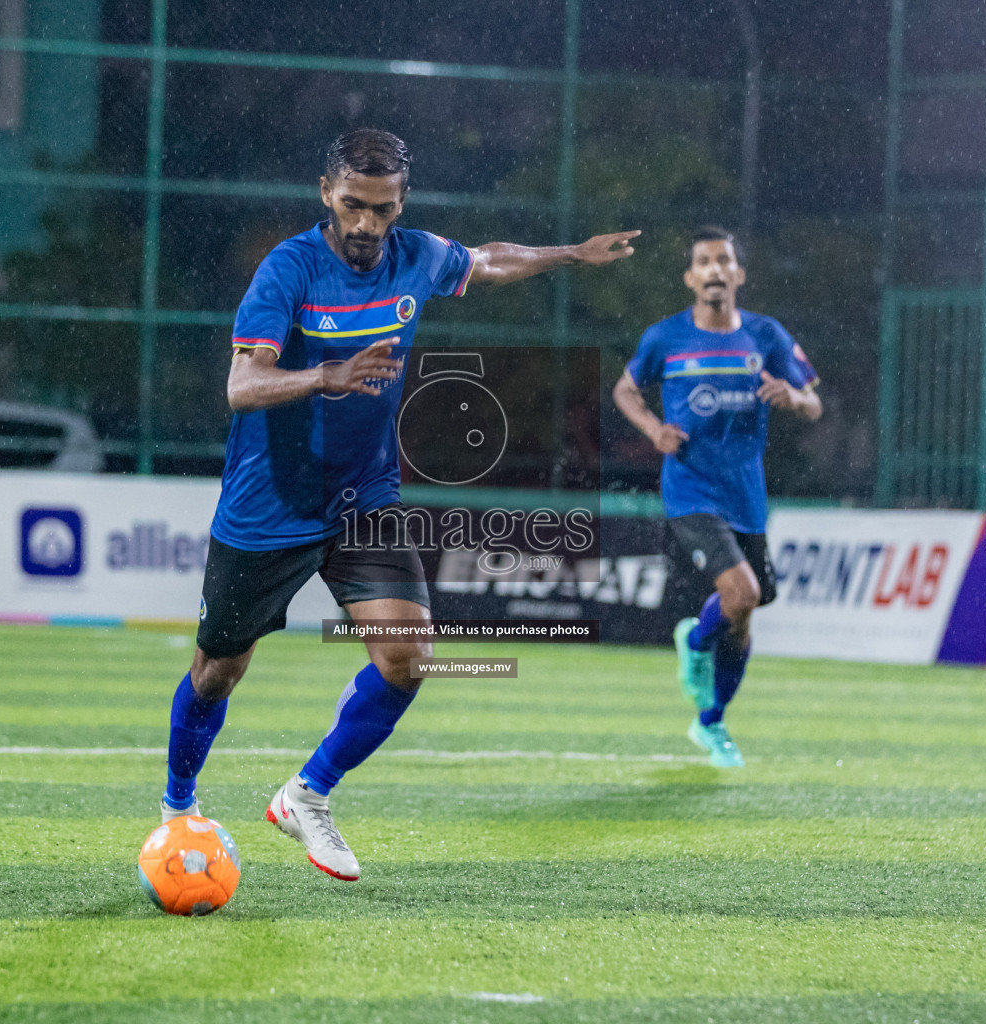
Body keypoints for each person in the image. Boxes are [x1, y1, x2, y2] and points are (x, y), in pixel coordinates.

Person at [162, 128, 639, 881]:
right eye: (352, 205)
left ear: (400, 204)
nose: (365, 225)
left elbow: (484, 260)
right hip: (269, 505)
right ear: (327, 194)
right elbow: (241, 387)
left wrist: (570, 254)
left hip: (363, 499)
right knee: (218, 672)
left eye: (381, 210)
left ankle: (306, 795)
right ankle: (178, 809)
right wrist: (326, 376)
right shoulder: (289, 269)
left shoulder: (415, 254)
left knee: (409, 658)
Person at [612, 226, 820, 768]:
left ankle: (712, 723)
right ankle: (697, 645)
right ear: (690, 277)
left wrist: (793, 397)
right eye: (704, 261)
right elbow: (625, 390)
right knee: (743, 593)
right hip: (690, 488)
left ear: (738, 275)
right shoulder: (666, 338)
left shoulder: (766, 335)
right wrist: (654, 429)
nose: (714, 270)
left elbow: (814, 404)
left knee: (744, 615)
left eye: (723, 260)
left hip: (746, 495)